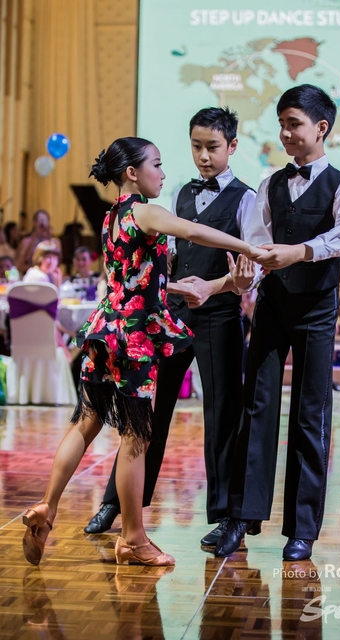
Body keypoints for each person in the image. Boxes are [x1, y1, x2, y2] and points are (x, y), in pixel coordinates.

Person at [21, 136, 262, 567]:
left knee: (86, 421)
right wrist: (247, 248)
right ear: (132, 173)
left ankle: (47, 505)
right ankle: (133, 538)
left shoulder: (111, 217)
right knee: (137, 435)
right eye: (157, 164)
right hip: (132, 338)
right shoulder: (144, 211)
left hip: (104, 330)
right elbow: (193, 231)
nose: (163, 173)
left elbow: (133, 279)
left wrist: (178, 287)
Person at [85, 107, 258, 548]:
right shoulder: (177, 195)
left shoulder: (248, 199)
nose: (203, 156)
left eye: (212, 147)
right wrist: (175, 288)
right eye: (196, 147)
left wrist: (215, 287)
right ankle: (118, 503)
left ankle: (227, 517)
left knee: (222, 416)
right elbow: (167, 261)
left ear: (232, 146)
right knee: (145, 413)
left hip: (220, 315)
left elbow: (249, 269)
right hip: (169, 315)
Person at [215, 84, 340, 561]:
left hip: (318, 308)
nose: (285, 133)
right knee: (256, 407)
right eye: (281, 124)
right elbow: (258, 245)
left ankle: (302, 529)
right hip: (273, 305)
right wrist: (246, 278)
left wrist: (300, 251)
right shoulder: (269, 185)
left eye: (293, 123)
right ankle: (242, 516)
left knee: (309, 414)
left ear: (321, 128)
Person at [16, 210, 62, 274]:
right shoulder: (26, 241)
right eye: (40, 220)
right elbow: (20, 265)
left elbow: (58, 262)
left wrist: (49, 237)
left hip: (48, 274)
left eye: (45, 220)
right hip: (30, 273)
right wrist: (35, 237)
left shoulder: (55, 241)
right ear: (34, 223)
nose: (42, 223)